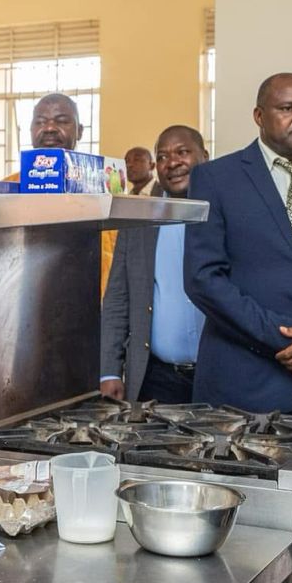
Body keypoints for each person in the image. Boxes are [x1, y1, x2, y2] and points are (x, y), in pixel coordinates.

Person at [183, 73, 292, 415]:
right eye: (288, 107)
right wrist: (285, 338)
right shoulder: (215, 179)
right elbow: (203, 279)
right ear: (259, 117)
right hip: (245, 383)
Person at [100, 126, 210, 403]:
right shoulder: (138, 221)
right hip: (157, 380)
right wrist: (109, 372)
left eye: (182, 152)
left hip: (218, 376)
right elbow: (117, 301)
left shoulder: (226, 215)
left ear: (205, 157)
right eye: (162, 157)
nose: (172, 163)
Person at [6, 93, 116, 291]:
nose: (49, 129)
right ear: (30, 130)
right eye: (40, 122)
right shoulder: (7, 188)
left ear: (80, 131)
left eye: (62, 121)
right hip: (23, 302)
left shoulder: (101, 186)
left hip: (91, 302)